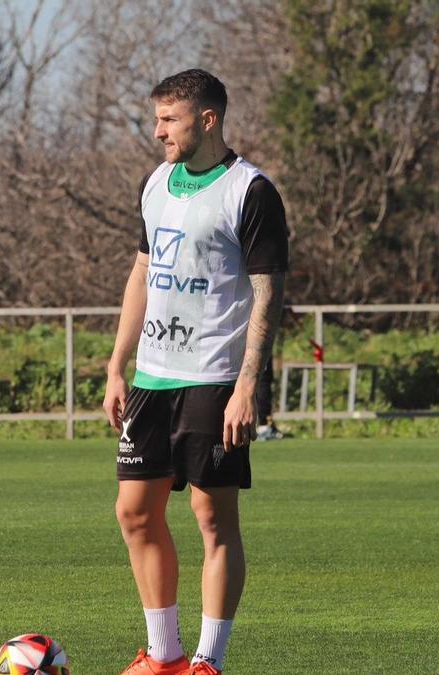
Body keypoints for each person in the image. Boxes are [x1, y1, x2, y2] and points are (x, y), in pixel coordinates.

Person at [103, 69, 288, 675]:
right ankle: (163, 655)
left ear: (207, 120)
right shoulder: (155, 182)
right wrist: (116, 364)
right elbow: (141, 274)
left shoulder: (250, 190)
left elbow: (266, 296)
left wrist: (247, 387)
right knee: (133, 512)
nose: (157, 132)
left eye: (169, 120)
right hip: (153, 380)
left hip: (213, 377)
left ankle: (208, 662)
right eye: (157, 119)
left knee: (213, 518)